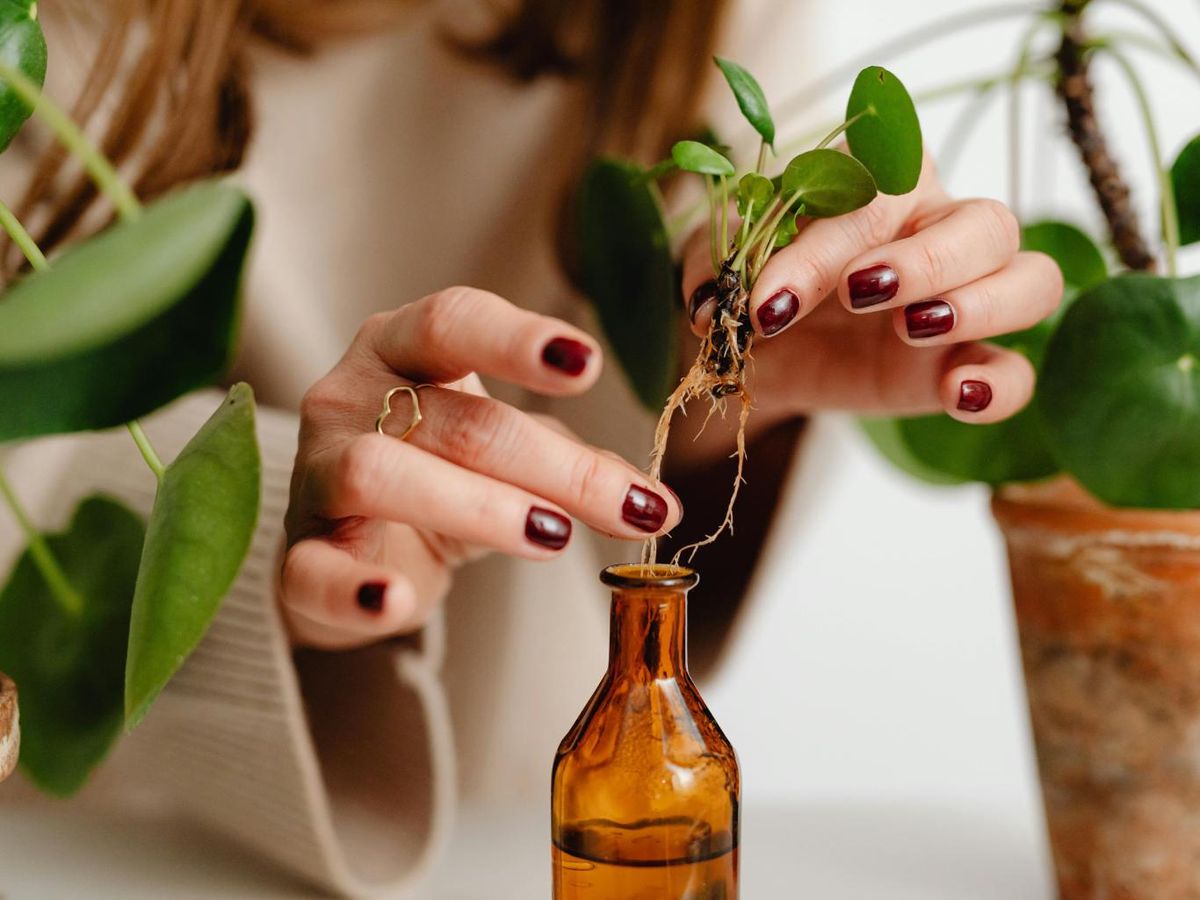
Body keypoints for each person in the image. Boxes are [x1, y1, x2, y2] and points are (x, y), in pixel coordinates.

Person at [0, 0, 1062, 895]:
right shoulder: (38, 45)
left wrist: (731, 363)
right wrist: (283, 530)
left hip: (495, 845)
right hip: (84, 854)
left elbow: (685, 337)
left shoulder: (691, 21)